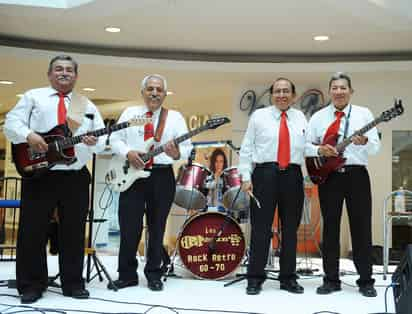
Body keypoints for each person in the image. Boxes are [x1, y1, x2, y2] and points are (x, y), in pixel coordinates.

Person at [4, 55, 106, 304]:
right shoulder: (33, 97)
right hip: (40, 173)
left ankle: (73, 283)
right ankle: (31, 285)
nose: (64, 73)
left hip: (75, 176)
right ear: (49, 74)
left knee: (73, 231)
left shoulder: (86, 104)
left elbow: (102, 143)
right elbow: (11, 123)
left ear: (76, 76)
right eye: (59, 69)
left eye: (69, 70)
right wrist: (29, 135)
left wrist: (95, 143)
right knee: (32, 231)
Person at [109, 74, 192, 291]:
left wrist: (175, 154)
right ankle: (126, 274)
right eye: (150, 89)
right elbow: (114, 139)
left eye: (159, 89)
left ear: (165, 94)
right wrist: (128, 153)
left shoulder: (174, 118)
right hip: (132, 176)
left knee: (157, 227)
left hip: (161, 176)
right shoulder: (130, 113)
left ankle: (154, 273)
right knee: (129, 227)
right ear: (142, 92)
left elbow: (187, 149)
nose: (154, 93)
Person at [305, 72, 380, 297]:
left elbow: (376, 147)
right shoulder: (318, 117)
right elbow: (306, 147)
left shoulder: (364, 114)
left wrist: (365, 141)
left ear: (351, 91)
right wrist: (320, 150)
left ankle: (366, 280)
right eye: (335, 88)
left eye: (343, 88)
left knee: (361, 229)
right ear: (330, 91)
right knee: (330, 229)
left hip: (357, 175)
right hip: (330, 177)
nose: (339, 91)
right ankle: (330, 280)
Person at [239, 78, 307, 295]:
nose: (282, 95)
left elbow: (308, 147)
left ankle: (288, 278)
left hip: (293, 176)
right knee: (260, 228)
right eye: (277, 91)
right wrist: (245, 176)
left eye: (286, 91)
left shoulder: (301, 117)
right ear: (271, 95)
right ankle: (255, 278)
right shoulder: (259, 116)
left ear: (293, 96)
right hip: (264, 174)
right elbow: (247, 148)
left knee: (290, 230)